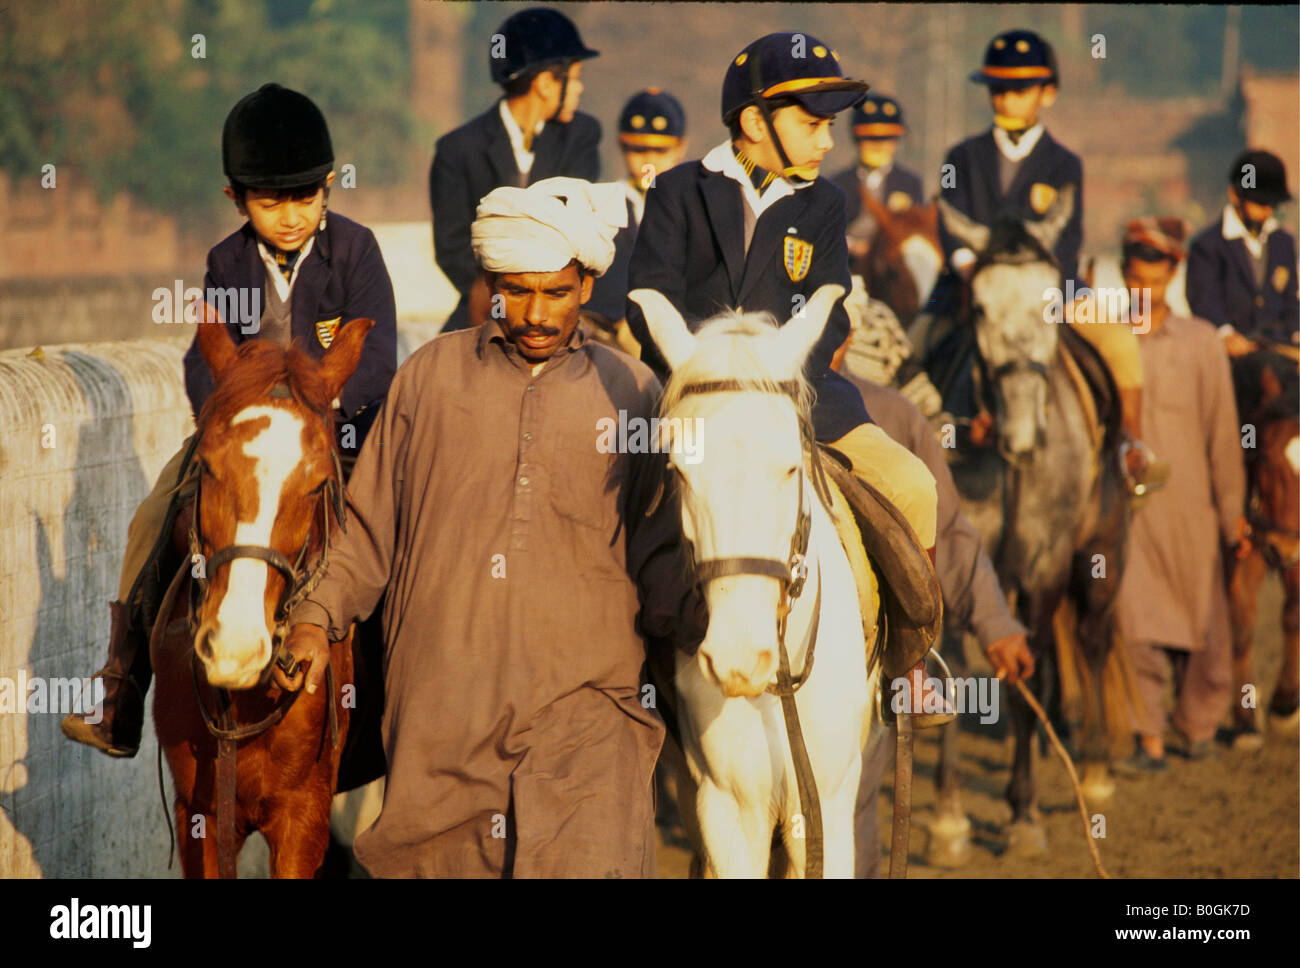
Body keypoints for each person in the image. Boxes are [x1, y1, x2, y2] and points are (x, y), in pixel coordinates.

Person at [279, 177, 669, 877]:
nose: (537, 313)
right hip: (444, 710)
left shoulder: (633, 391)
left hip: (590, 706)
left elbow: (662, 550)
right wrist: (314, 616)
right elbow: (369, 532)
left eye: (555, 291)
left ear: (585, 284)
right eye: (516, 291)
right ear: (489, 285)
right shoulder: (428, 379)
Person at [61, 83, 397, 758]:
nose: (292, 216)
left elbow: (379, 356)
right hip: (242, 438)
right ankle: (122, 686)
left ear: (329, 186)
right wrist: (225, 427)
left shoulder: (356, 251)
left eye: (305, 198)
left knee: (412, 525)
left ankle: (419, 694)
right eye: (271, 203)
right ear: (236, 200)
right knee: (154, 514)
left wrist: (320, 415)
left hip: (338, 436)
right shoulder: (228, 262)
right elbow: (199, 362)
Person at [626, 30, 938, 554]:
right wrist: (717, 379)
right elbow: (648, 305)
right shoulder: (677, 191)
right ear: (754, 121)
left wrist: (773, 381)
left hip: (804, 400)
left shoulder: (826, 203)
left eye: (830, 127)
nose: (828, 142)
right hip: (696, 402)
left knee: (916, 487)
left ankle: (913, 638)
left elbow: (831, 313)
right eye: (812, 125)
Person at [923, 28, 1157, 495]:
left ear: (1047, 94)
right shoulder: (962, 157)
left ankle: (1129, 448)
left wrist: (1053, 287)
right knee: (912, 343)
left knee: (1120, 342)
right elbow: (951, 223)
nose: (1007, 99)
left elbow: (1068, 237)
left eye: (1020, 90)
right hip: (975, 287)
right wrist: (971, 266)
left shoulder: (1064, 163)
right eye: (999, 89)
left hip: (1052, 289)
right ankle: (916, 444)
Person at [832, 335, 1033, 876]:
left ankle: (913, 665)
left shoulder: (892, 413)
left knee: (853, 810)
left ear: (845, 334)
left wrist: (994, 623)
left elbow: (947, 528)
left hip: (863, 659)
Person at [1112, 218, 1249, 772]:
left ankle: (1195, 725)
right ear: (1123, 272)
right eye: (1135, 266)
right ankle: (1147, 738)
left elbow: (1223, 433)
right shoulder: (1104, 334)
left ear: (1174, 271)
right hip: (1128, 509)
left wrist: (1233, 514)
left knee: (1206, 627)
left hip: (1193, 507)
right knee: (1133, 620)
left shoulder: (1200, 342)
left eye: (1156, 266)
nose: (1143, 277)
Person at [430, 7, 601, 333]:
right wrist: (505, 292)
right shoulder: (456, 149)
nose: (579, 89)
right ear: (546, 83)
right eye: (575, 78)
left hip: (555, 296)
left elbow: (575, 226)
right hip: (485, 296)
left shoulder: (582, 135)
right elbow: (451, 246)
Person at [581, 88, 690, 351]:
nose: (649, 161)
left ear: (681, 148)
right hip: (611, 341)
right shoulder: (599, 205)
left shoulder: (695, 207)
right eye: (638, 150)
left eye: (660, 151)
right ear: (622, 145)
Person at [1186, 149, 1298, 354]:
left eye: (1271, 204)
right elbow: (1203, 300)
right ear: (1235, 195)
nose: (1266, 211)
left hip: (1277, 349)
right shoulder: (1208, 245)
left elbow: (1290, 299)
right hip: (1229, 351)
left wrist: (1295, 330)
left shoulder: (1283, 242)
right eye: (1259, 203)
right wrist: (1225, 333)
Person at [829, 93, 924, 261]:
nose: (879, 146)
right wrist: (851, 245)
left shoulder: (910, 183)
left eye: (887, 139)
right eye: (870, 139)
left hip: (894, 270)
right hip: (847, 266)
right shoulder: (837, 184)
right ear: (857, 139)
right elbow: (826, 231)